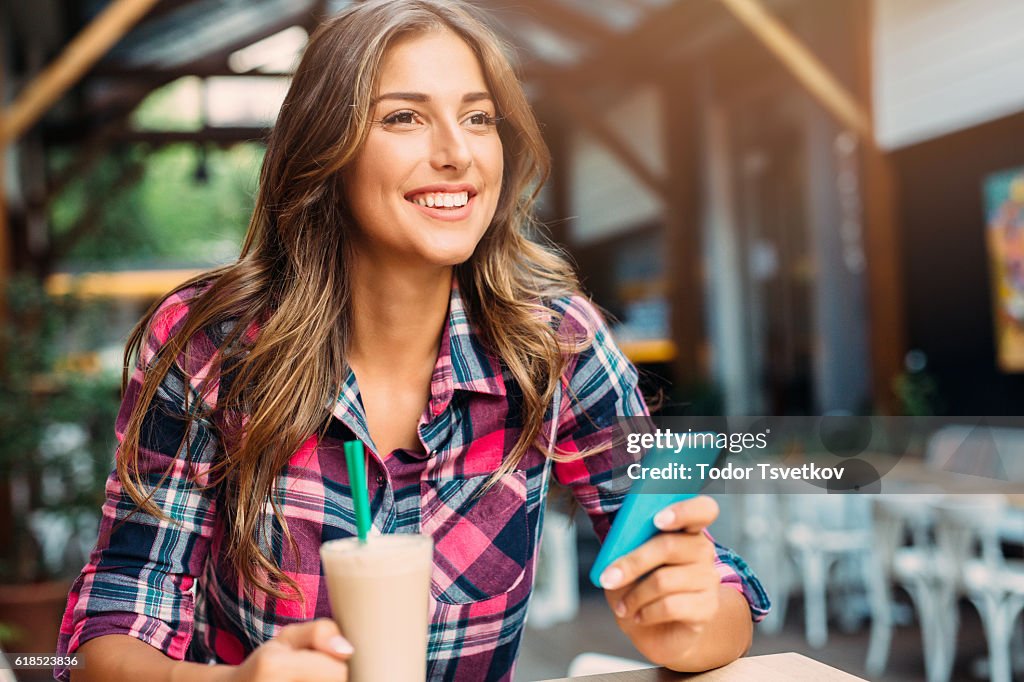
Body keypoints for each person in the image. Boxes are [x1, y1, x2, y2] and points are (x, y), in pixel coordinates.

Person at [55, 1, 769, 680]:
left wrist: (693, 618)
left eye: (478, 118)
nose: (457, 153)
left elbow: (714, 592)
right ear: (325, 150)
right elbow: (107, 631)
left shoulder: (554, 344)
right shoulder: (213, 346)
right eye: (404, 117)